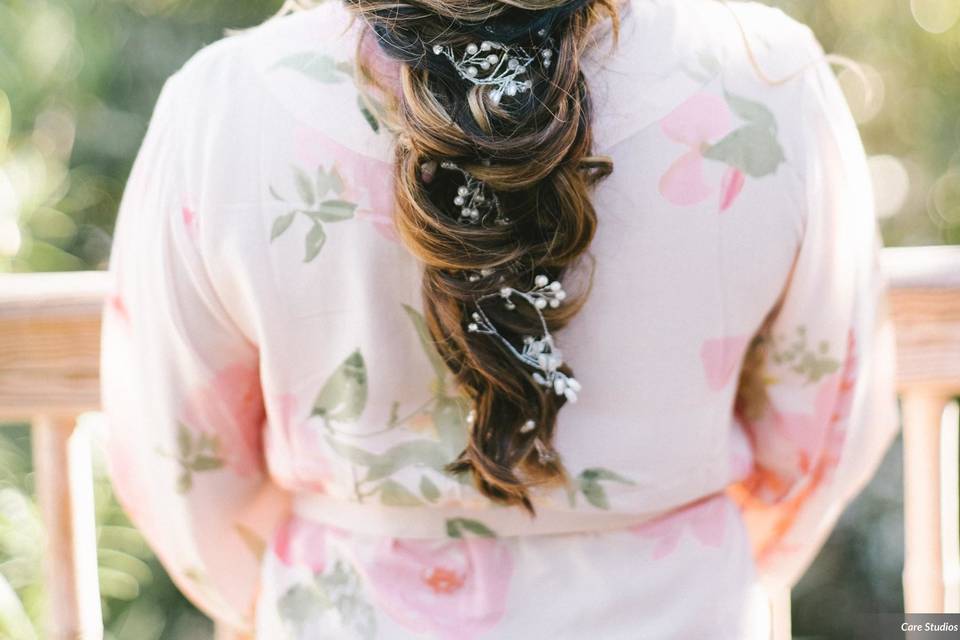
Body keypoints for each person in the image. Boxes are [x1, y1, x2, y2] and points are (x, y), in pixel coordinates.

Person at [98, 0, 901, 637]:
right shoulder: (769, 83)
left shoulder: (222, 106)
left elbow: (181, 462)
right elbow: (826, 425)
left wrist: (292, 574)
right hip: (677, 610)